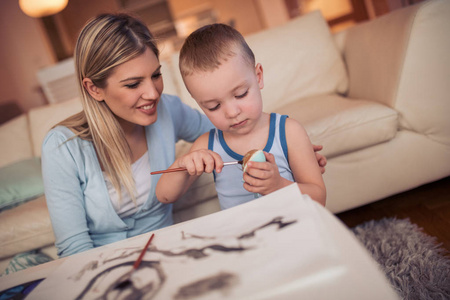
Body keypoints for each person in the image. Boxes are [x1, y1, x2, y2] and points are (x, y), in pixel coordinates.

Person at [42, 14, 326, 258]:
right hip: (105, 264)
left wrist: (292, 153)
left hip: (167, 250)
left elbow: (229, 135)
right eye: (133, 84)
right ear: (94, 89)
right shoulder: (61, 147)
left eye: (155, 75)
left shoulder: (167, 110)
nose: (154, 93)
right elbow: (74, 247)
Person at [156, 24, 326, 209]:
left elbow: (319, 198)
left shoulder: (288, 132)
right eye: (214, 106)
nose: (232, 112)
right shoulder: (206, 146)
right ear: (199, 104)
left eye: (241, 94)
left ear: (258, 76)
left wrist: (279, 186)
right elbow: (164, 196)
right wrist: (182, 165)